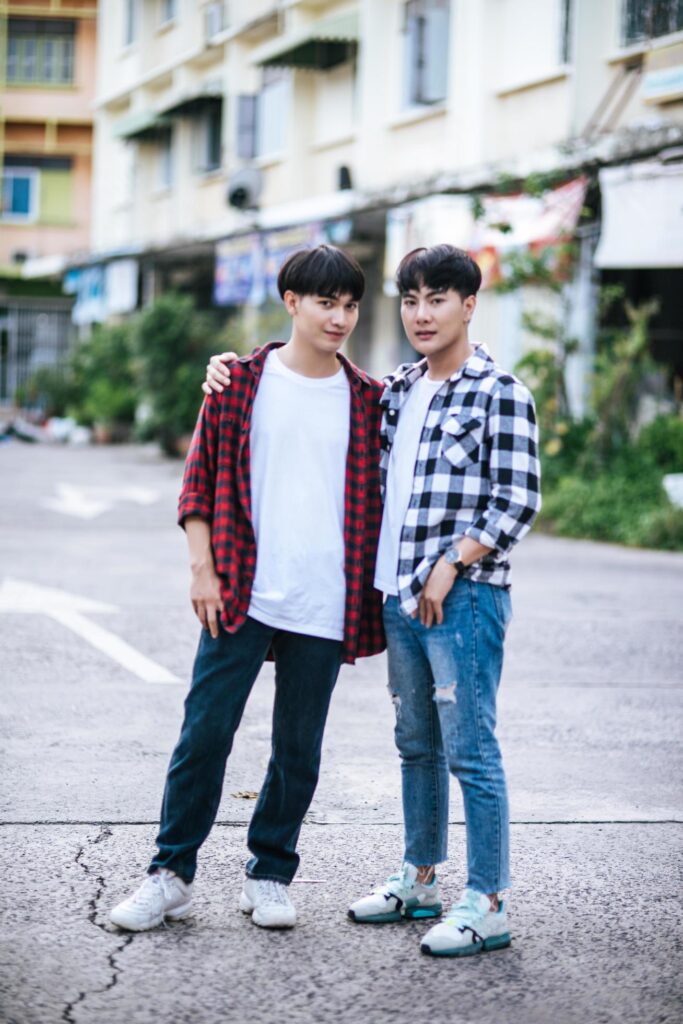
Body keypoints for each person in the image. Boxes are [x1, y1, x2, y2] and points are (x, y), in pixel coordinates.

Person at [203, 244, 541, 957]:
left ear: (469, 305)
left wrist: (453, 562)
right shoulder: (397, 389)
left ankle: (487, 900)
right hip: (398, 597)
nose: (421, 314)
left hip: (463, 601)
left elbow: (517, 499)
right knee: (415, 746)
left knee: (469, 749)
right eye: (410, 300)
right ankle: (420, 877)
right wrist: (227, 367)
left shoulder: (497, 389)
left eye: (438, 299)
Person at [109, 245, 384, 933]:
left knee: (297, 747)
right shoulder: (237, 382)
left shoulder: (368, 399)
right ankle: (169, 873)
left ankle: (269, 872)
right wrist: (202, 569)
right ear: (291, 302)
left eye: (350, 304)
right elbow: (198, 481)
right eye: (326, 302)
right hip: (241, 589)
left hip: (325, 597)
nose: (339, 317)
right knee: (204, 733)